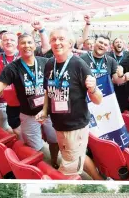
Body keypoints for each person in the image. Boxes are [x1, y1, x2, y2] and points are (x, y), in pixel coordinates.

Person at [0, 33, 59, 167]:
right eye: (23, 43)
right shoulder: (12, 68)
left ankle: (54, 161)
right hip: (28, 115)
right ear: (18, 47)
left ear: (35, 45)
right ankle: (39, 168)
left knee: (54, 141)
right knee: (34, 147)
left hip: (49, 112)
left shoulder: (46, 63)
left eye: (29, 42)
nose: (26, 45)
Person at [36, 27, 103, 179]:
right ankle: (100, 181)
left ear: (70, 43)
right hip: (59, 124)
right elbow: (48, 91)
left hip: (75, 127)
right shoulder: (49, 64)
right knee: (76, 156)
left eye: (61, 39)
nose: (57, 42)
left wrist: (92, 89)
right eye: (53, 39)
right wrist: (45, 110)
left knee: (68, 168)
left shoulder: (79, 65)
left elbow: (98, 100)